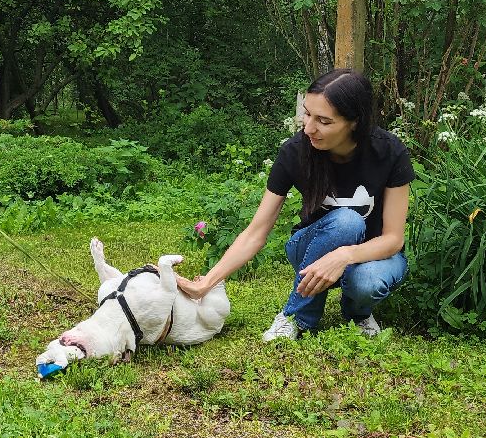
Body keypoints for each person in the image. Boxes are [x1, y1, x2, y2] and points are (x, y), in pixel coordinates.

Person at [176, 68, 412, 339]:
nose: (309, 128)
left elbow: (393, 239)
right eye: (307, 114)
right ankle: (296, 318)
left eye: (323, 121)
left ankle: (358, 313)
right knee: (346, 222)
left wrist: (344, 255)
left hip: (371, 255)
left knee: (366, 281)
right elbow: (255, 233)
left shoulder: (389, 152)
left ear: (354, 122)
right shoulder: (295, 152)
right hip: (310, 247)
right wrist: (207, 282)